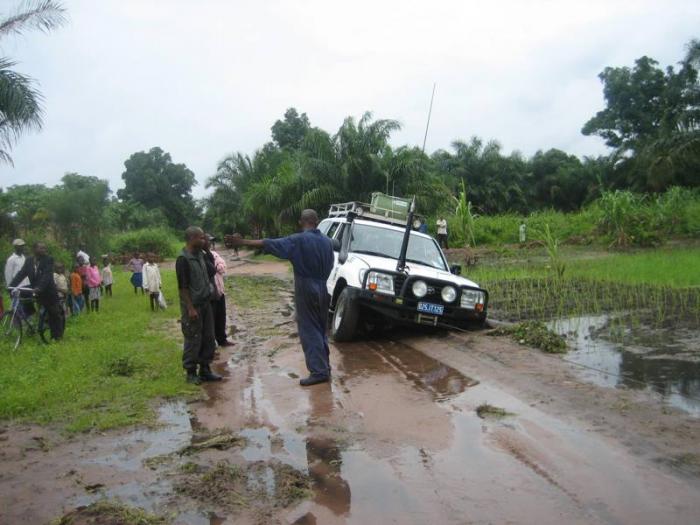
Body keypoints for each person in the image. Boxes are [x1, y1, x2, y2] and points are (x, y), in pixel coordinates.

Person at [226, 209, 334, 387]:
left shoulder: (298, 240)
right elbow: (330, 264)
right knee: (321, 327)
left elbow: (269, 243)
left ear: (301, 222)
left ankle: (319, 371)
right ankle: (325, 366)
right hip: (323, 285)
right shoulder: (327, 242)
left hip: (306, 286)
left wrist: (242, 241)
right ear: (317, 221)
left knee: (309, 329)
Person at [176, 226, 221, 385]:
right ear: (192, 238)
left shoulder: (201, 255)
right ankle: (190, 372)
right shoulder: (183, 259)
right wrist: (190, 308)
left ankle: (205, 369)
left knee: (208, 337)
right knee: (193, 338)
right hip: (193, 306)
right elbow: (183, 287)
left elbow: (212, 271)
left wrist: (207, 251)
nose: (204, 241)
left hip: (205, 303)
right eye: (201, 238)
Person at [9, 242, 64, 341]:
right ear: (34, 249)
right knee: (21, 292)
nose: (44, 249)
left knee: (54, 313)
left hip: (47, 290)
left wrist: (39, 288)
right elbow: (21, 274)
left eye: (45, 248)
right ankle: (31, 313)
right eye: (41, 248)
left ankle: (57, 336)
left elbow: (46, 276)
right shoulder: (29, 260)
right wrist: (11, 286)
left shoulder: (48, 260)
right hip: (35, 288)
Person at [203, 235, 234, 347]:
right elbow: (212, 269)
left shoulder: (215, 254)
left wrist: (217, 267)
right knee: (209, 322)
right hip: (208, 295)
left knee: (221, 317)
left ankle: (222, 340)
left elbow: (222, 267)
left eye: (210, 241)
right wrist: (216, 267)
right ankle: (210, 346)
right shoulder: (200, 256)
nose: (209, 243)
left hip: (219, 292)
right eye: (207, 241)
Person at [5, 238, 34, 315]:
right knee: (17, 306)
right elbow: (8, 274)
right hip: (17, 286)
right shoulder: (11, 259)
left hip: (27, 285)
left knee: (28, 305)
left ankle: (28, 322)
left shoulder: (24, 258)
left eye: (23, 246)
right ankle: (16, 323)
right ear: (15, 247)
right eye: (20, 246)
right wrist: (10, 287)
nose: (22, 247)